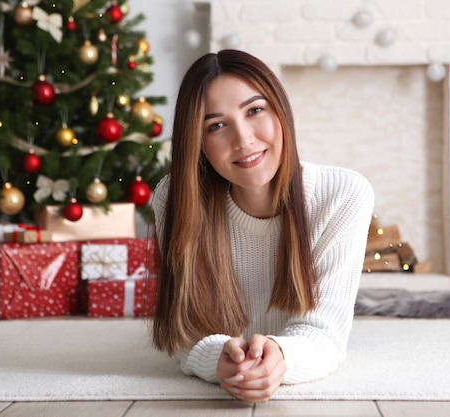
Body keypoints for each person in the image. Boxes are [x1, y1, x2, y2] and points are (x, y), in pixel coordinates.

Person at [150, 49, 375, 403]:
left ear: (280, 111)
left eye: (254, 110)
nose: (243, 140)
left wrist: (281, 359)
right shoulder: (174, 199)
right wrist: (220, 360)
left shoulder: (343, 195)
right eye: (216, 125)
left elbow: (325, 335)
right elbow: (185, 333)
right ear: (198, 143)